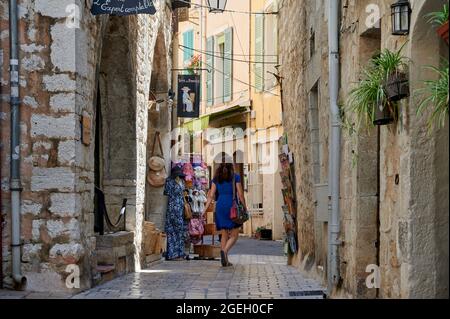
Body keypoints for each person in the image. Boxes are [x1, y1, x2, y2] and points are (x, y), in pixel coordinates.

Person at [202, 162, 247, 267]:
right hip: (232, 206)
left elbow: (211, 195)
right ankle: (224, 251)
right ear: (231, 166)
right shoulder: (235, 177)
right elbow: (240, 194)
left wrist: (204, 210)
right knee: (235, 235)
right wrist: (245, 207)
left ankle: (225, 260)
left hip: (220, 206)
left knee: (224, 234)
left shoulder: (216, 179)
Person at [164, 166, 188, 261]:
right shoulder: (174, 182)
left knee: (176, 231)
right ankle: (175, 254)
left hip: (176, 208)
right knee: (174, 231)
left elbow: (167, 192)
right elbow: (167, 193)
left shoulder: (176, 182)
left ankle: (177, 253)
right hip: (174, 209)